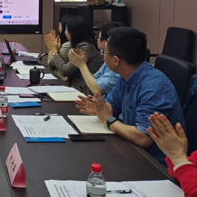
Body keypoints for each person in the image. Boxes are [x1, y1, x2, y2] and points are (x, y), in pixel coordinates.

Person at [75, 27, 184, 164]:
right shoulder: (125, 77)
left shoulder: (152, 87)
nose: (103, 56)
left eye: (104, 52)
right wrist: (99, 108)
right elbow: (112, 107)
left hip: (154, 164)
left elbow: (143, 138)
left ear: (116, 60)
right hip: (130, 149)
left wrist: (108, 119)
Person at [44, 16, 103, 94]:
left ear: (72, 32)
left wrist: (54, 51)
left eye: (66, 29)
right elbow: (67, 66)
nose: (65, 32)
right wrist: (57, 52)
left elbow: (66, 71)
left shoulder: (85, 48)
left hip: (85, 92)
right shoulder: (81, 45)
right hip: (77, 87)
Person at [68, 22, 123, 96]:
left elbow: (97, 90)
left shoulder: (118, 66)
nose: (97, 40)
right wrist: (81, 63)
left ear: (105, 43)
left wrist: (82, 65)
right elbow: (95, 78)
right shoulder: (108, 61)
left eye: (98, 38)